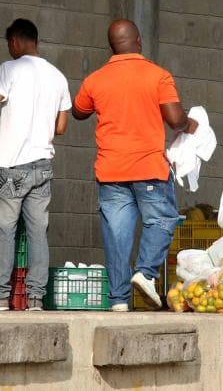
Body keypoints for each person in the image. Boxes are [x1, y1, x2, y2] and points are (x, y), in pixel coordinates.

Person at [72, 19, 196, 312]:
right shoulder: (158, 76)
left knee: (116, 237)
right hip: (149, 167)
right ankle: (145, 272)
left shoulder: (95, 79)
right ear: (138, 41)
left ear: (111, 46)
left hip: (111, 171)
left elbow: (78, 112)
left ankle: (118, 301)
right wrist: (192, 123)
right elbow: (175, 120)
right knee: (163, 219)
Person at [0, 19, 71, 311]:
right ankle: (36, 298)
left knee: (5, 230)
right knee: (39, 231)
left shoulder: (9, 69)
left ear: (14, 42)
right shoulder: (58, 77)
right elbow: (61, 127)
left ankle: (0, 295)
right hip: (42, 166)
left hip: (11, 165)